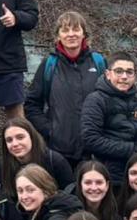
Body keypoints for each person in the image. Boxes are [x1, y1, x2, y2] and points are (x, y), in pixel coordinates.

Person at [25, 10, 105, 168]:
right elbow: (31, 104)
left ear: (84, 34)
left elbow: (111, 99)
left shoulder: (99, 62)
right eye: (65, 30)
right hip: (59, 150)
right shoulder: (49, 65)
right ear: (58, 36)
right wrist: (50, 130)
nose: (71, 34)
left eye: (76, 29)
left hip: (94, 149)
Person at [78, 57, 137, 184]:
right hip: (108, 173)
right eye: (119, 71)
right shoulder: (96, 100)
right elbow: (90, 139)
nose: (124, 76)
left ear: (135, 76)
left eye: (129, 72)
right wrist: (131, 150)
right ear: (108, 74)